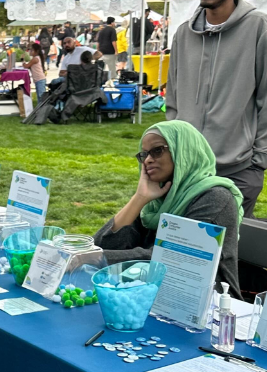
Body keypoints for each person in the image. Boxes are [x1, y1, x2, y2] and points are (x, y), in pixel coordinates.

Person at [166, 0, 267, 217]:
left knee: (226, 253)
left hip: (238, 169)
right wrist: (172, 148)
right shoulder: (184, 34)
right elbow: (172, 96)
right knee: (180, 248)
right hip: (186, 168)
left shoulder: (259, 27)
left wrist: (259, 162)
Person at [94, 120, 243, 294]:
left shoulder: (215, 198)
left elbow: (174, 259)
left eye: (157, 151)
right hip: (146, 290)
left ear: (185, 152)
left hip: (208, 303)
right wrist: (139, 199)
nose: (148, 160)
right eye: (144, 154)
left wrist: (96, 257)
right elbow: (103, 245)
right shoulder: (156, 197)